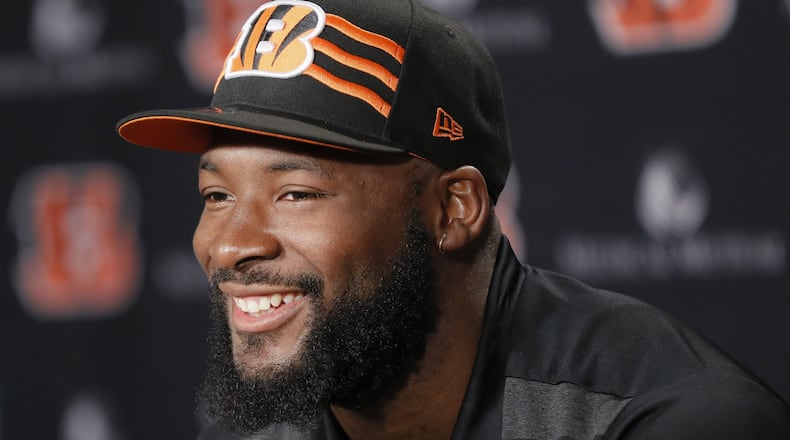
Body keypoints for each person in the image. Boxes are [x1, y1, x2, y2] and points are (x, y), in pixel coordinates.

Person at [117, 0, 790, 438]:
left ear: (453, 209)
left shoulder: (667, 422)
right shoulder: (265, 428)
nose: (231, 245)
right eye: (216, 197)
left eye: (295, 194)